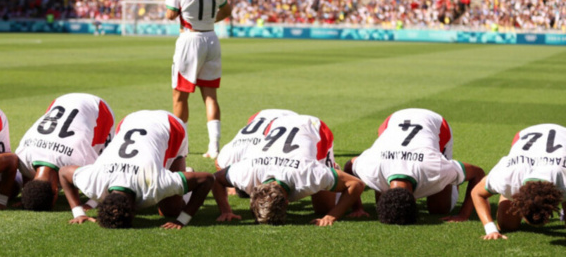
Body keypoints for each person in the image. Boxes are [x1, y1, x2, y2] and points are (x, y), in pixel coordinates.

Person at [59, 110, 214, 229]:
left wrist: (183, 219)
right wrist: (78, 212)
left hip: (170, 125)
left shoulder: (153, 184)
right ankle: (181, 177)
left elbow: (207, 179)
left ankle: (186, 173)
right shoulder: (94, 182)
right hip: (129, 120)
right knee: (168, 203)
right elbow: (64, 172)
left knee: (170, 211)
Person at [213, 114, 365, 226]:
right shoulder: (246, 172)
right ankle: (331, 175)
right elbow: (216, 178)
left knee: (324, 208)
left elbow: (356, 184)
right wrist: (226, 210)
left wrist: (332, 216)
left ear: (287, 202)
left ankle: (332, 169)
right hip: (279, 123)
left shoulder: (307, 174)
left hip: (314, 128)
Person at [345, 108, 485, 225]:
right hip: (392, 121)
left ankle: (454, 179)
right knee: (386, 204)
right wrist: (357, 207)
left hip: (437, 124)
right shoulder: (371, 167)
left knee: (439, 208)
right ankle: (452, 175)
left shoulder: (435, 168)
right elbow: (348, 167)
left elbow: (477, 173)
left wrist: (464, 214)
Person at [165, 0, 232, 159]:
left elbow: (170, 14)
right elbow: (226, 10)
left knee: (180, 96)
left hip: (190, 38)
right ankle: (214, 148)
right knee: (210, 96)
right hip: (211, 38)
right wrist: (209, 20)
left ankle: (180, 147)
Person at [15, 93, 115, 211]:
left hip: (98, 109)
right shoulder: (21, 157)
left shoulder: (81, 161)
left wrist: (90, 204)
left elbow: (104, 179)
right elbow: (26, 175)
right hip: (61, 100)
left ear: (56, 191)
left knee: (104, 157)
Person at [472, 124, 566, 240]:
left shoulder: (563, 179)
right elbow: (477, 193)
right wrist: (490, 229)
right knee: (506, 225)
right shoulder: (506, 176)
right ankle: (507, 195)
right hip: (524, 137)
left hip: (563, 137)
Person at [216, 109, 298, 170]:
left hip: (290, 118)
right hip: (261, 115)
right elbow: (218, 163)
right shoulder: (228, 155)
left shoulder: (227, 156)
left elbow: (218, 163)